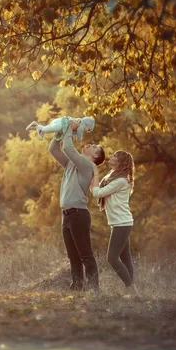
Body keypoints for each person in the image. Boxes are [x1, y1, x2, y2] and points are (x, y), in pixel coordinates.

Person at [48, 120, 105, 291]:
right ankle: (77, 287)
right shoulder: (71, 163)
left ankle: (94, 289)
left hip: (79, 214)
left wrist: (69, 128)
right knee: (73, 257)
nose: (90, 143)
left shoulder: (87, 164)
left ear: (95, 155)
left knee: (85, 255)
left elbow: (68, 148)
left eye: (94, 146)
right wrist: (60, 132)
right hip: (66, 215)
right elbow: (53, 149)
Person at [89, 150, 136, 290]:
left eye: (115, 156)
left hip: (122, 223)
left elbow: (98, 193)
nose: (111, 156)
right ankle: (134, 290)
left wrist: (94, 176)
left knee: (112, 258)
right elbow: (97, 188)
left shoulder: (120, 181)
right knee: (126, 258)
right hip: (120, 223)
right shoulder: (111, 176)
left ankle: (130, 287)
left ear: (121, 162)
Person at [26, 116, 95, 141]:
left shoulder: (78, 121)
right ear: (87, 125)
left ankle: (35, 127)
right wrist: (79, 139)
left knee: (47, 129)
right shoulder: (81, 125)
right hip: (62, 124)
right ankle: (39, 128)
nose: (88, 131)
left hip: (61, 121)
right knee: (46, 129)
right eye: (89, 129)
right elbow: (79, 132)